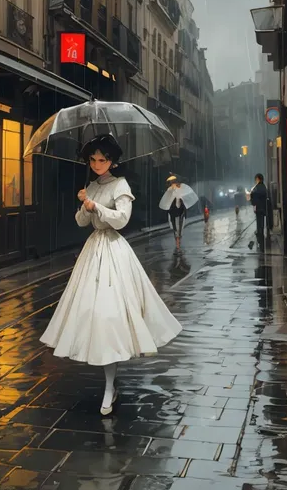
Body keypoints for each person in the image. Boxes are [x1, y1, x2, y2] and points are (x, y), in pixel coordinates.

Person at [40, 134, 182, 416]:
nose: (96, 164)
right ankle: (108, 381)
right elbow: (81, 222)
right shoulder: (90, 185)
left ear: (113, 162)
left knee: (111, 314)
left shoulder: (120, 185)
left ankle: (109, 386)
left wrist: (98, 207)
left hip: (114, 250)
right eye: (92, 160)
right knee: (91, 314)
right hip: (92, 250)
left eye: (102, 160)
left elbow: (121, 219)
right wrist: (84, 203)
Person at [250, 173, 272, 250]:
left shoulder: (256, 188)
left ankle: (260, 241)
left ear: (258, 179)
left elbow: (253, 199)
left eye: (256, 179)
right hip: (263, 209)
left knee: (259, 226)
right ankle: (260, 240)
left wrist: (253, 202)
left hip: (258, 209)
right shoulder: (264, 188)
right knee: (261, 225)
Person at [166, 175, 187, 250]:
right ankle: (177, 244)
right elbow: (168, 200)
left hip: (181, 212)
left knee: (180, 229)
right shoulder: (169, 190)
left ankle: (178, 240)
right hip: (173, 212)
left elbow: (184, 201)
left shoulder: (181, 190)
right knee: (175, 228)